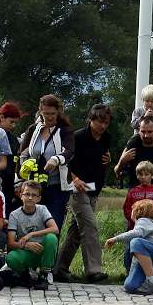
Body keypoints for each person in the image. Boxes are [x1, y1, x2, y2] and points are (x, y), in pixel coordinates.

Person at [55, 103, 111, 284]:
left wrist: (108, 160)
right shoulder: (77, 137)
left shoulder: (106, 138)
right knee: (90, 226)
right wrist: (74, 178)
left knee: (76, 232)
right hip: (76, 189)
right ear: (90, 120)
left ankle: (59, 268)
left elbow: (102, 159)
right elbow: (65, 162)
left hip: (94, 189)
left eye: (106, 123)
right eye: (99, 122)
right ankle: (93, 271)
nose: (103, 126)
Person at [18, 94, 74, 231]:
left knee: (53, 228)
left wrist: (55, 160)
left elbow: (69, 151)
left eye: (52, 114)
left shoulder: (65, 130)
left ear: (58, 112)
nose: (49, 117)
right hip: (34, 187)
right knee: (33, 227)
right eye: (46, 113)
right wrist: (19, 179)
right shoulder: (33, 129)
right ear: (40, 112)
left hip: (57, 187)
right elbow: (21, 153)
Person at [106, 199, 153, 295]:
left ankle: (152, 281)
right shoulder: (148, 223)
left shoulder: (144, 221)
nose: (131, 211)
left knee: (135, 242)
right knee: (129, 286)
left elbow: (136, 233)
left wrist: (115, 239)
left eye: (132, 209)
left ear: (138, 211)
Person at [6, 181, 60, 290]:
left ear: (38, 198)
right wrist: (26, 245)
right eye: (27, 194)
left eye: (34, 195)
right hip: (26, 251)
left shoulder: (42, 209)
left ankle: (44, 275)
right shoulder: (14, 215)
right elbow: (11, 243)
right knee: (11, 258)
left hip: (42, 251)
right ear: (21, 195)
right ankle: (24, 274)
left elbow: (55, 229)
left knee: (51, 238)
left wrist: (31, 234)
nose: (30, 198)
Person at [0, 102, 23, 213]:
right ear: (1, 117)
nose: (13, 126)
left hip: (9, 186)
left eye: (15, 123)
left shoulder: (14, 140)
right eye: (11, 122)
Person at [123, 161, 153, 230]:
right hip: (135, 227)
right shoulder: (132, 192)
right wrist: (134, 220)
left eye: (146, 174)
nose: (143, 177)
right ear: (137, 175)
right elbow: (127, 209)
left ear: (152, 175)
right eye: (140, 174)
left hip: (152, 227)